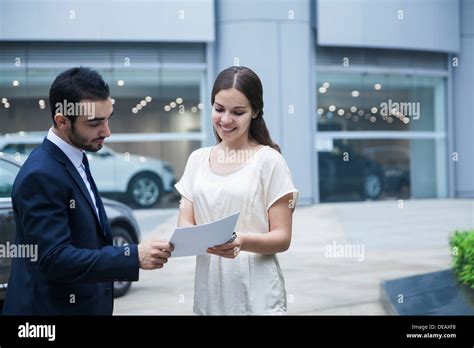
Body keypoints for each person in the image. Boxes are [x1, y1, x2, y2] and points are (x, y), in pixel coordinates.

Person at [3, 67, 173, 315]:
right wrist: (132, 256)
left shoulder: (76, 156)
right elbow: (55, 258)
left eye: (108, 118)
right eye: (95, 123)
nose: (106, 131)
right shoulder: (40, 175)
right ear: (62, 121)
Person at [175, 66, 298, 315]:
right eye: (219, 109)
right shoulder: (198, 160)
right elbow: (185, 225)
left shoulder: (269, 161)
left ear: (255, 112)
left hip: (258, 291)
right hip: (209, 292)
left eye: (238, 112)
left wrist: (241, 240)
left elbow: (282, 237)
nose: (226, 119)